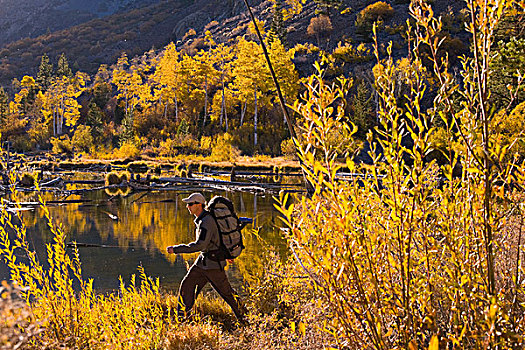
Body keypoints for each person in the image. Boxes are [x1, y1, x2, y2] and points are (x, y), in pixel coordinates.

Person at [166, 192, 245, 323]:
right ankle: (181, 320)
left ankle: (248, 321)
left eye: (191, 204)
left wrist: (176, 249)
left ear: (199, 205)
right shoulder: (203, 219)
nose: (188, 207)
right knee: (187, 286)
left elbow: (200, 245)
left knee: (229, 295)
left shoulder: (206, 221)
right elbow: (215, 241)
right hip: (203, 263)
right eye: (187, 204)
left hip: (212, 265)